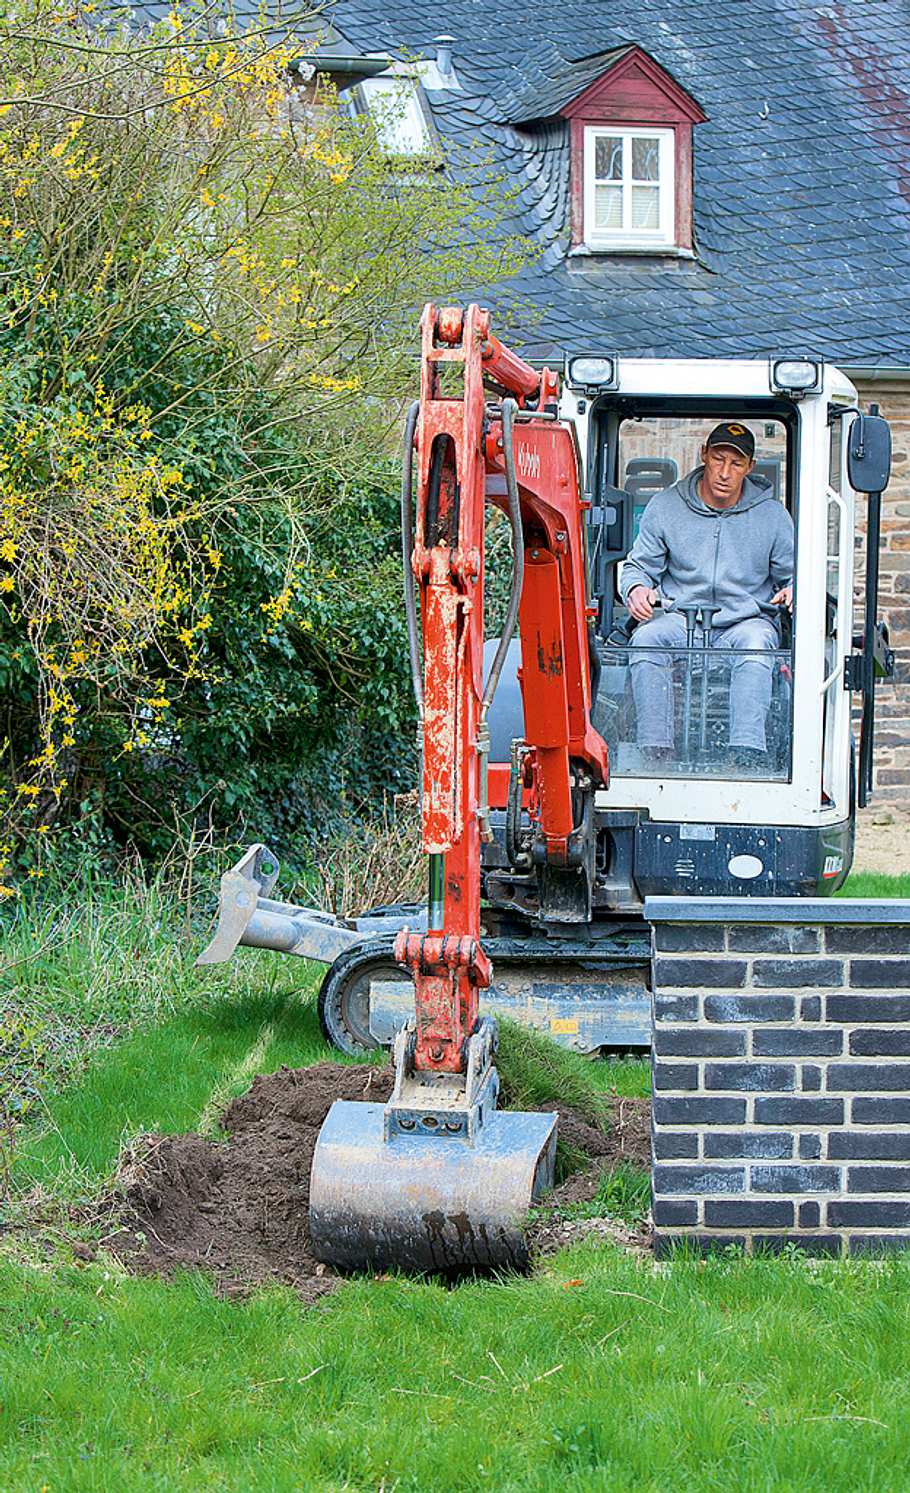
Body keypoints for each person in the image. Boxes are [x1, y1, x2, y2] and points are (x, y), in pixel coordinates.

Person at [620, 421, 794, 766]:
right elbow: (637, 566)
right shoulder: (665, 507)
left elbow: (794, 575)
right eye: (718, 459)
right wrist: (637, 588)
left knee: (758, 643)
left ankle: (746, 755)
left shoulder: (773, 517)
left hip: (743, 623)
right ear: (704, 456)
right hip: (679, 622)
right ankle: (655, 753)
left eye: (736, 464)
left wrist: (793, 589)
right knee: (647, 638)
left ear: (750, 468)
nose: (725, 473)